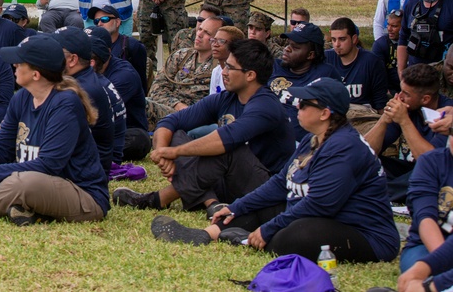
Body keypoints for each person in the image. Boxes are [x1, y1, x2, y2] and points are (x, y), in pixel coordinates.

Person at [151, 78, 400, 266]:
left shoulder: (345, 148)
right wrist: (238, 206)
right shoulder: (313, 139)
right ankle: (205, 235)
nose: (297, 107)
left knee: (294, 236)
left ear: (325, 113)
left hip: (363, 234)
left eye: (304, 104)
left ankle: (246, 239)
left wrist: (269, 229)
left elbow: (321, 205)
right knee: (257, 208)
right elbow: (281, 182)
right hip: (322, 217)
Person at [0, 34, 110, 225]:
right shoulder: (22, 98)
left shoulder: (65, 104)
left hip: (81, 193)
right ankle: (28, 210)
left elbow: (48, 166)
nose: (14, 65)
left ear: (36, 74)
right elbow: (0, 149)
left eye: (19, 62)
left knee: (23, 183)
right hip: (35, 182)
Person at [115, 39, 295, 214]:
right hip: (224, 180)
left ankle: (157, 199)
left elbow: (226, 139)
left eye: (230, 67)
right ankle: (211, 202)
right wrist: (162, 151)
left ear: (250, 75)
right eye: (225, 65)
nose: (223, 72)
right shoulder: (227, 97)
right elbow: (171, 121)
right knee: (177, 135)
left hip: (263, 187)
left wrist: (175, 153)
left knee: (227, 149)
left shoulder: (265, 105)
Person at [365, 63, 453, 203]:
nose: (399, 97)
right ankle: (377, 189)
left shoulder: (447, 114)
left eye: (406, 94)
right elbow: (365, 152)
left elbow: (431, 162)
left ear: (425, 99)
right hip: (411, 170)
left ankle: (374, 190)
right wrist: (384, 119)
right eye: (400, 91)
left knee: (419, 176)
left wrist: (404, 121)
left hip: (440, 174)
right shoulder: (408, 107)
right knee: (367, 163)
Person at [55, 27, 122, 176]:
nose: (47, 55)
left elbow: (54, 150)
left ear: (72, 59)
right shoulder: (83, 79)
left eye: (54, 51)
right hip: (74, 168)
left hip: (79, 178)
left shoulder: (82, 91)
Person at [269, 21, 342, 141]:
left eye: (295, 47)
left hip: (300, 144)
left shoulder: (325, 75)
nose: (287, 49)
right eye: (288, 44)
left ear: (311, 55)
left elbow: (334, 118)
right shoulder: (274, 67)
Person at [146, 15, 223, 127]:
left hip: (192, 116)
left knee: (142, 105)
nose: (199, 34)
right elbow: (156, 88)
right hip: (170, 107)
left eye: (207, 33)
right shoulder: (181, 56)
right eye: (200, 29)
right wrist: (177, 105)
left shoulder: (218, 68)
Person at [88, 26, 150, 162]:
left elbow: (98, 108)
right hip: (95, 129)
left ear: (107, 52)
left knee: (139, 140)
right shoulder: (79, 70)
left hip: (125, 129)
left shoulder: (124, 75)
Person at [401, 135, 453, 273]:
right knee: (424, 274)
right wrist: (442, 262)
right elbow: (425, 218)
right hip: (428, 245)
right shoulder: (432, 162)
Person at [399, 0, 453, 75]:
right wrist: (401, 73)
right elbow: (403, 38)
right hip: (414, 76)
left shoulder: (450, 4)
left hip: (443, 78)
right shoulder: (411, 3)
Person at [325, 17, 388, 115]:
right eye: (333, 39)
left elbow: (380, 102)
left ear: (354, 39)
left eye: (342, 39)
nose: (337, 44)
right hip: (333, 114)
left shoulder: (371, 62)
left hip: (362, 116)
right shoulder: (326, 59)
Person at [89, 4, 148, 91]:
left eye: (105, 19)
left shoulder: (132, 45)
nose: (99, 24)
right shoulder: (91, 45)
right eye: (96, 21)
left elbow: (141, 81)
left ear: (117, 22)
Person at [371, 10, 403, 96]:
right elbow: (377, 74)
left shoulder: (412, 44)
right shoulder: (380, 44)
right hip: (388, 90)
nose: (389, 29)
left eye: (394, 26)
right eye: (388, 24)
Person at [208, 25, 246, 95]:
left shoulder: (239, 73)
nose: (215, 45)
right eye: (213, 40)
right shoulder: (216, 71)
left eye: (221, 41)